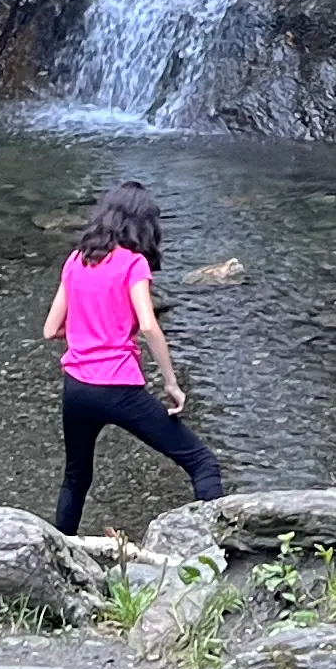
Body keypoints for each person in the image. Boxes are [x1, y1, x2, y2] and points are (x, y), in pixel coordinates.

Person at [44, 179, 222, 537]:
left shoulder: (76, 260)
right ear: (144, 224)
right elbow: (149, 325)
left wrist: (86, 331)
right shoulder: (133, 264)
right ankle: (221, 557)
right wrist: (171, 383)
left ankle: (56, 557)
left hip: (76, 388)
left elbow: (51, 329)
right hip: (117, 387)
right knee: (202, 463)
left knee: (76, 477)